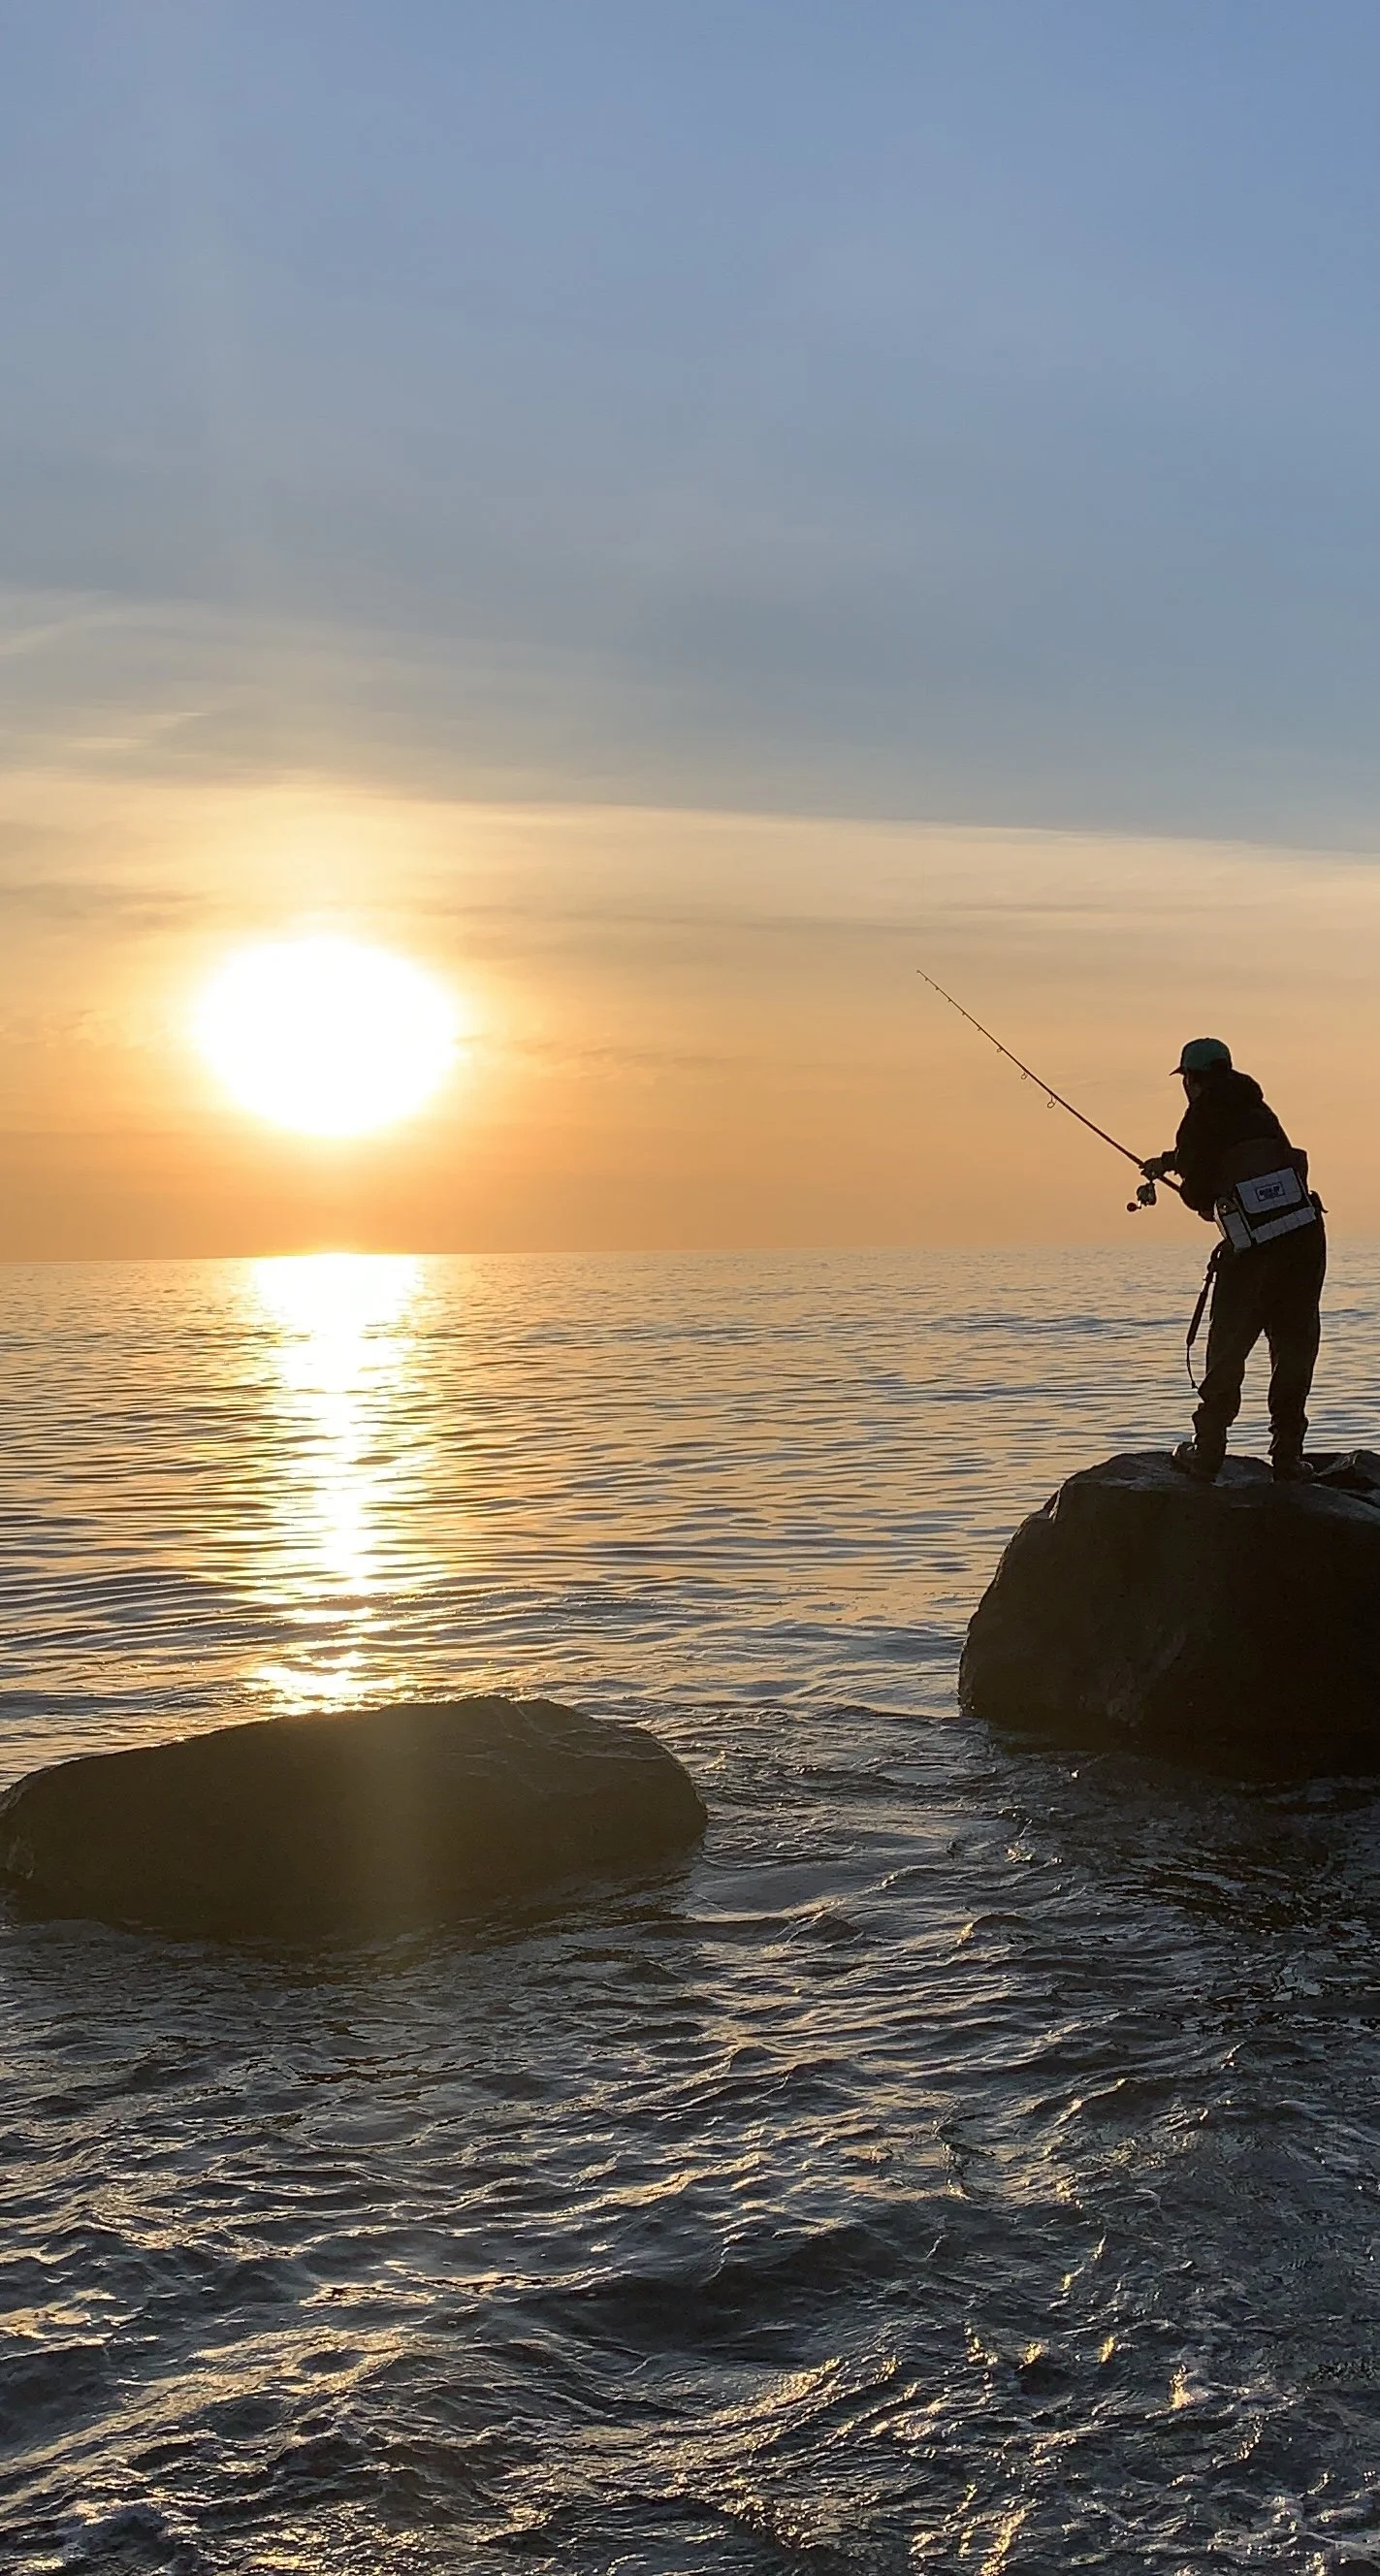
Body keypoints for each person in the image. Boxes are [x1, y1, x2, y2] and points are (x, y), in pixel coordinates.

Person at [1141, 1037, 1325, 1484]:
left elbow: (1200, 1189)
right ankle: (1287, 1456)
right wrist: (1169, 1163)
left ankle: (1207, 1452)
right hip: (1303, 1239)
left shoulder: (1198, 1119)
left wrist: (1189, 1188)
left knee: (1228, 1347)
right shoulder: (1259, 1110)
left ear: (1194, 1079)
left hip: (1253, 1252)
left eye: (1186, 1078)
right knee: (1294, 1347)